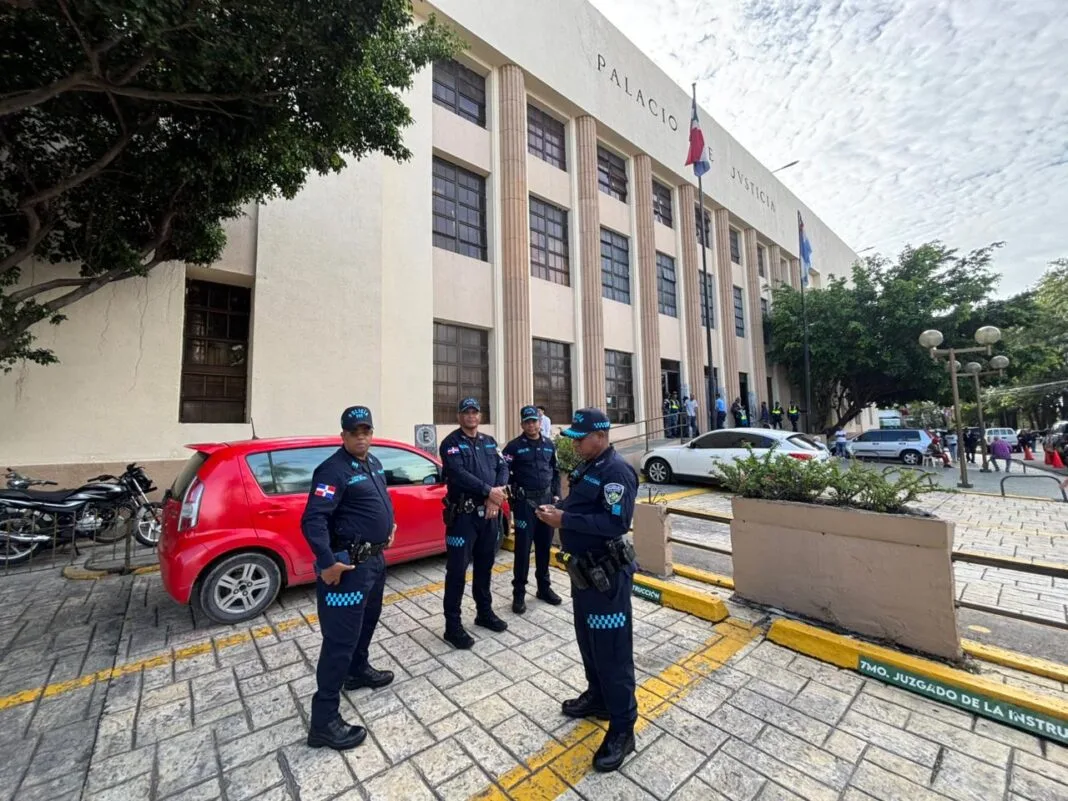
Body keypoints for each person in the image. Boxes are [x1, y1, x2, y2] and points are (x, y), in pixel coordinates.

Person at [535, 408, 639, 773]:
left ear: (601, 436)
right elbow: (583, 505)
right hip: (585, 576)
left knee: (613, 652)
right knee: (590, 643)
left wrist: (565, 519)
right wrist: (560, 508)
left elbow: (616, 522)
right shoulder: (589, 466)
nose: (576, 444)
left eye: (581, 438)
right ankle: (599, 698)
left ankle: (623, 728)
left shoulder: (616, 471)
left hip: (606, 579)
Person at [301, 405, 396, 750]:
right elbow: (313, 520)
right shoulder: (332, 470)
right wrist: (327, 562)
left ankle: (357, 671)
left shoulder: (373, 463)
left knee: (367, 621)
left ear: (371, 433)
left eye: (365, 431)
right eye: (354, 432)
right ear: (342, 435)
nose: (361, 437)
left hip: (374, 562)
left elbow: (376, 502)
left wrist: (389, 526)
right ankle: (324, 722)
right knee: (339, 640)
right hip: (348, 570)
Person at [439, 397, 510, 649]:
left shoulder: (489, 442)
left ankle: (484, 613)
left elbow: (503, 468)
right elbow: (458, 474)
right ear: (459, 417)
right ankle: (452, 626)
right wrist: (488, 491)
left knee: (485, 566)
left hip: (489, 515)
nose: (471, 416)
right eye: (466, 412)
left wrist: (495, 496)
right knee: (457, 571)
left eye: (475, 412)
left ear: (480, 416)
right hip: (463, 518)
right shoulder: (450, 444)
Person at [503, 405, 562, 614]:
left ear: (539, 422)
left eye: (534, 421)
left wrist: (556, 496)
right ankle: (519, 593)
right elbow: (503, 473)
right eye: (527, 422)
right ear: (522, 424)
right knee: (523, 550)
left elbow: (555, 472)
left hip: (546, 502)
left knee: (544, 547)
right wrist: (510, 496)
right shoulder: (513, 447)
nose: (531, 425)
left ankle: (544, 588)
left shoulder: (549, 445)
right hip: (524, 505)